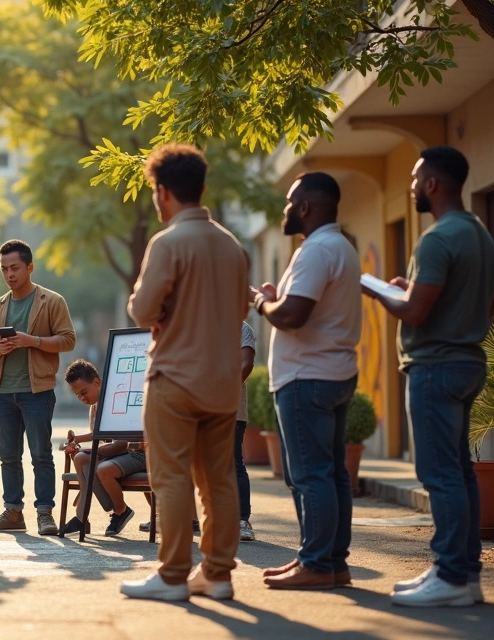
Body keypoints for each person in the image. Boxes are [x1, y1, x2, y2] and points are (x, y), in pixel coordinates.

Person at [364, 146, 494, 608]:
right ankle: (463, 573)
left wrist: (381, 292)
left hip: (434, 368)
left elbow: (416, 311)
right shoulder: (479, 235)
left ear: (433, 184)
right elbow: (487, 306)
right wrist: (410, 291)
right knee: (459, 473)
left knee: (440, 474)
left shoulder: (438, 238)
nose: (412, 185)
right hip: (467, 362)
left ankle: (451, 574)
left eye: (416, 177)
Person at [120, 143, 249, 602]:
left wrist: (160, 310)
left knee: (170, 477)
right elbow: (238, 312)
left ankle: (173, 573)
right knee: (219, 479)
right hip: (221, 379)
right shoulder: (232, 246)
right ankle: (217, 574)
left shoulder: (168, 242)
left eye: (155, 191)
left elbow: (142, 310)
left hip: (174, 377)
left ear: (164, 191)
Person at [252, 172, 362, 590]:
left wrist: (263, 302)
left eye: (288, 201)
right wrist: (275, 299)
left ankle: (316, 562)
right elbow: (301, 306)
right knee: (331, 473)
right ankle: (331, 561)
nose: (284, 209)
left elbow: (293, 315)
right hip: (330, 374)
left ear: (304, 208)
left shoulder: (316, 250)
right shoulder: (341, 247)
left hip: (306, 378)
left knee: (310, 475)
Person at [0, 240, 76, 536]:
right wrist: (0, 348)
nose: (9, 274)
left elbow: (68, 339)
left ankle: (45, 513)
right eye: (4, 268)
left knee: (41, 454)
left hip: (38, 391)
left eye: (15, 268)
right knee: (8, 455)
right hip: (4, 391)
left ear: (30, 267)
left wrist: (32, 340)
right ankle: (13, 511)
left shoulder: (51, 301)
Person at [58, 360, 144, 537]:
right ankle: (82, 519)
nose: (82, 398)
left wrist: (88, 450)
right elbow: (96, 434)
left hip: (136, 453)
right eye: (77, 395)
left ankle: (121, 511)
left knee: (103, 468)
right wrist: (75, 440)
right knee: (80, 458)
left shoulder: (118, 400)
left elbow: (121, 445)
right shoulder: (95, 405)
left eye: (84, 392)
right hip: (118, 454)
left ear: (97, 383)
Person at [235, 321, 257, 542]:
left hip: (230, 410)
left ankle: (242, 520)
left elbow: (246, 364)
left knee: (233, 463)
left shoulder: (241, 328)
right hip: (199, 409)